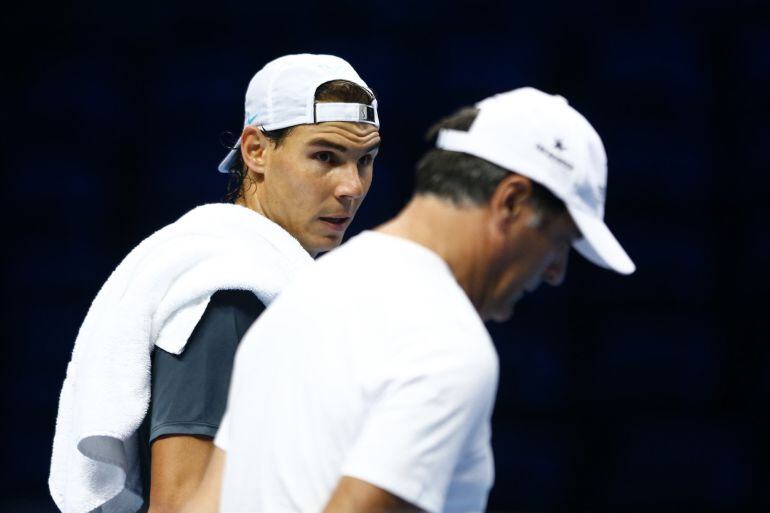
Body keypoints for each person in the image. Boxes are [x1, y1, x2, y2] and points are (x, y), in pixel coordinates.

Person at [188, 86, 636, 513]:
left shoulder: (304, 291)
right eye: (558, 241)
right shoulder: (447, 346)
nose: (556, 272)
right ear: (512, 201)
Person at [49, 53, 381, 513]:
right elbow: (182, 505)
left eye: (365, 161)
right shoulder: (231, 295)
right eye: (325, 156)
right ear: (256, 151)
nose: (352, 186)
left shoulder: (261, 283)